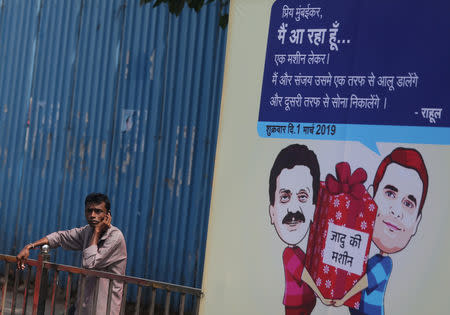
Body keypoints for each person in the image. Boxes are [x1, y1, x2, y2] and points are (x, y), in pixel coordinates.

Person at [333, 147, 428, 315]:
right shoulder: (371, 259)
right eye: (390, 193)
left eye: (408, 204)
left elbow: (365, 282)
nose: (396, 211)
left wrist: (343, 297)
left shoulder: (385, 264)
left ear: (416, 223)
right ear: (371, 198)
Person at [16, 193, 127, 315]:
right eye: (89, 211)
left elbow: (90, 263)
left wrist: (96, 232)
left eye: (98, 211)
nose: (92, 215)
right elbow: (60, 237)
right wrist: (30, 246)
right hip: (84, 305)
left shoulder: (115, 237)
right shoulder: (87, 231)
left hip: (104, 308)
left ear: (107, 214)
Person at [269, 144, 331, 315]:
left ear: (313, 208)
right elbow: (305, 275)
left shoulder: (301, 252)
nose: (293, 209)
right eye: (285, 197)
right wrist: (322, 295)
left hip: (307, 303)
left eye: (302, 196)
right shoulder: (288, 254)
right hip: (296, 306)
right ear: (272, 212)